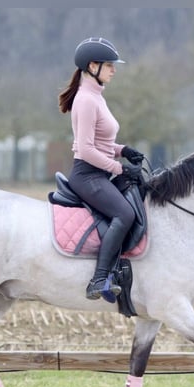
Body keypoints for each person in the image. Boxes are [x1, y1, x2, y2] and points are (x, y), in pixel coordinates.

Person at [58, 37, 145, 301]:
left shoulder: (96, 96)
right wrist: (118, 168)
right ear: (93, 65)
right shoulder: (86, 100)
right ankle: (98, 280)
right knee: (124, 214)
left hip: (99, 171)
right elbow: (85, 149)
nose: (114, 70)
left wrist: (123, 150)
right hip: (88, 175)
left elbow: (101, 142)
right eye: (109, 65)